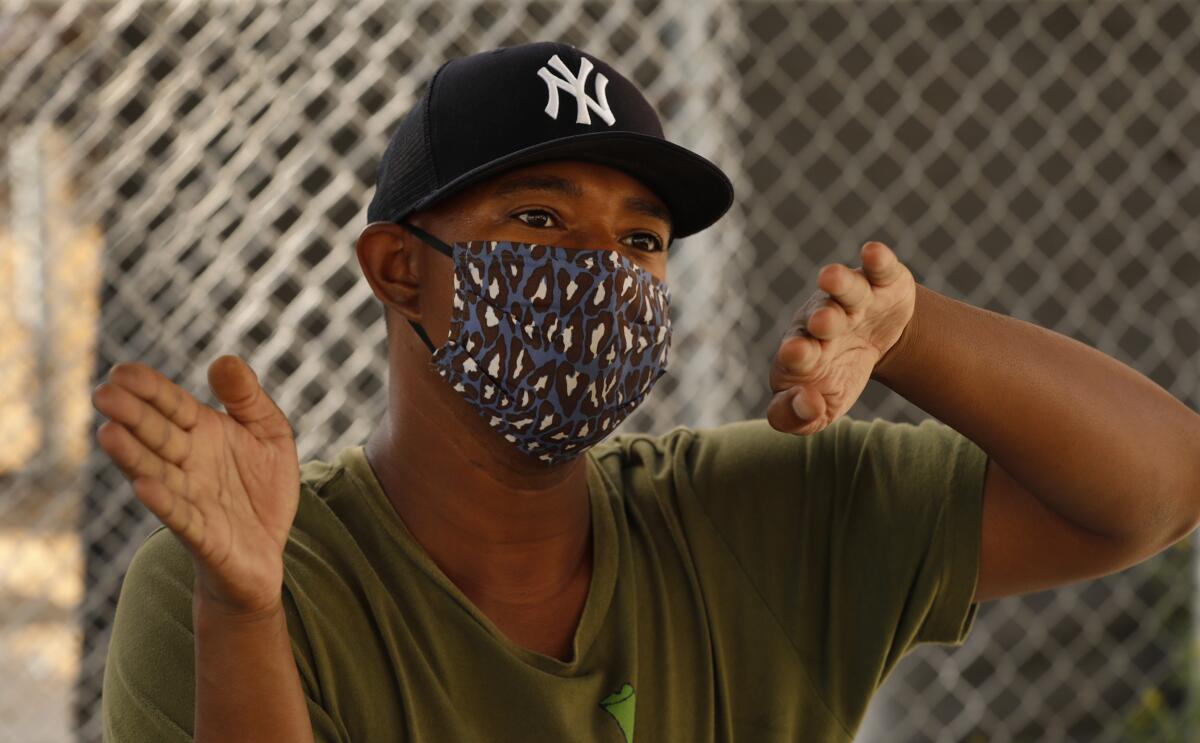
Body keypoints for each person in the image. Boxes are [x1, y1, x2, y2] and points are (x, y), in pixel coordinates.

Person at [94, 41, 1200, 743]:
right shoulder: (257, 577)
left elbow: (1160, 482)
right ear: (397, 266)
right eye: (538, 221)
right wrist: (244, 614)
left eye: (641, 239)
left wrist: (915, 331)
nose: (598, 272)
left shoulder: (751, 518)